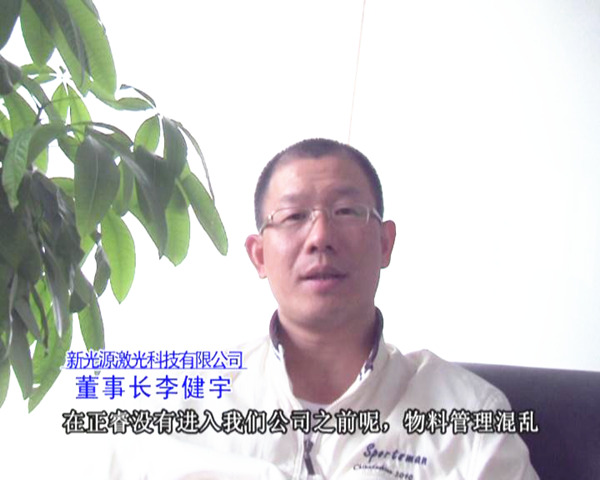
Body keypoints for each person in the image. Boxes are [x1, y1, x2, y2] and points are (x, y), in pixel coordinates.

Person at [113, 138, 539, 479]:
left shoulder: (469, 419)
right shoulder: (177, 407)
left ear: (385, 243)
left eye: (346, 211)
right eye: (293, 216)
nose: (320, 237)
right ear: (259, 256)